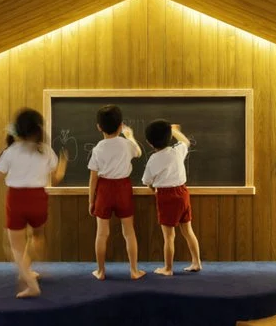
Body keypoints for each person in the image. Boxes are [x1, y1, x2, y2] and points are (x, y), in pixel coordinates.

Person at [0, 108, 67, 298]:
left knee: (14, 247)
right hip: (39, 199)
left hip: (17, 200)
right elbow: (57, 178)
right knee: (37, 236)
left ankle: (30, 283)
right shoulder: (45, 150)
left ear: (18, 130)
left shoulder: (10, 152)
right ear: (38, 128)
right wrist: (64, 163)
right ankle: (28, 270)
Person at [87, 105, 146, 281]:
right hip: (123, 188)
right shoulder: (126, 144)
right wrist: (130, 136)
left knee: (101, 234)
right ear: (121, 126)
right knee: (129, 232)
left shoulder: (98, 148)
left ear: (99, 127)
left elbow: (93, 178)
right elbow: (139, 152)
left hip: (104, 190)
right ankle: (134, 270)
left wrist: (91, 201)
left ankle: (100, 271)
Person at [142, 120, 202, 276]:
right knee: (188, 230)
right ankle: (196, 262)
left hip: (166, 196)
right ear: (169, 137)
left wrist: (153, 189)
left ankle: (168, 268)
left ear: (149, 142)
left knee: (169, 236)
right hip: (182, 192)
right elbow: (185, 142)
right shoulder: (177, 151)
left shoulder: (153, 159)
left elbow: (147, 181)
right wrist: (175, 131)